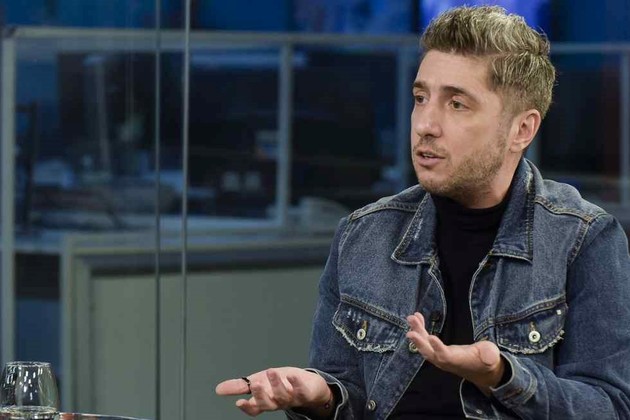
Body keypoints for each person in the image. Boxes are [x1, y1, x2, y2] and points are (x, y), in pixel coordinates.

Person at [216, 5, 630, 419]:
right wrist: (321, 395)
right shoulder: (363, 235)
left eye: (457, 104)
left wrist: (504, 376)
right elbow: (349, 393)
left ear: (521, 130)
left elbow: (610, 407)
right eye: (420, 98)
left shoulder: (584, 239)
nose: (425, 124)